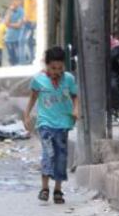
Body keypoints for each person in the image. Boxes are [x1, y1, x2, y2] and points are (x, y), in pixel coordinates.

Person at [23, 46, 79, 204]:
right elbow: (33, 98)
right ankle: (45, 188)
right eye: (53, 68)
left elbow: (75, 96)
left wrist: (76, 110)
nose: (56, 71)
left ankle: (58, 190)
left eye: (60, 68)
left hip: (63, 123)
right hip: (45, 122)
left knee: (61, 156)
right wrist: (26, 114)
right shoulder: (38, 80)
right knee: (49, 153)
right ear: (46, 65)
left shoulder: (68, 79)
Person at [19, 0, 37, 64]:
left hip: (30, 20)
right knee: (29, 41)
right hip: (30, 19)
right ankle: (31, 59)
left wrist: (27, 16)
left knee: (22, 40)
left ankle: (23, 62)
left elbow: (34, 3)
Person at [4, 0, 24, 66]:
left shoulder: (22, 11)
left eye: (16, 0)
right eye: (13, 0)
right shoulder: (9, 11)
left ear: (20, 1)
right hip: (8, 39)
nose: (15, 2)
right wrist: (9, 12)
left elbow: (19, 25)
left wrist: (10, 24)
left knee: (18, 61)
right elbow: (6, 23)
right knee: (11, 60)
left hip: (17, 39)